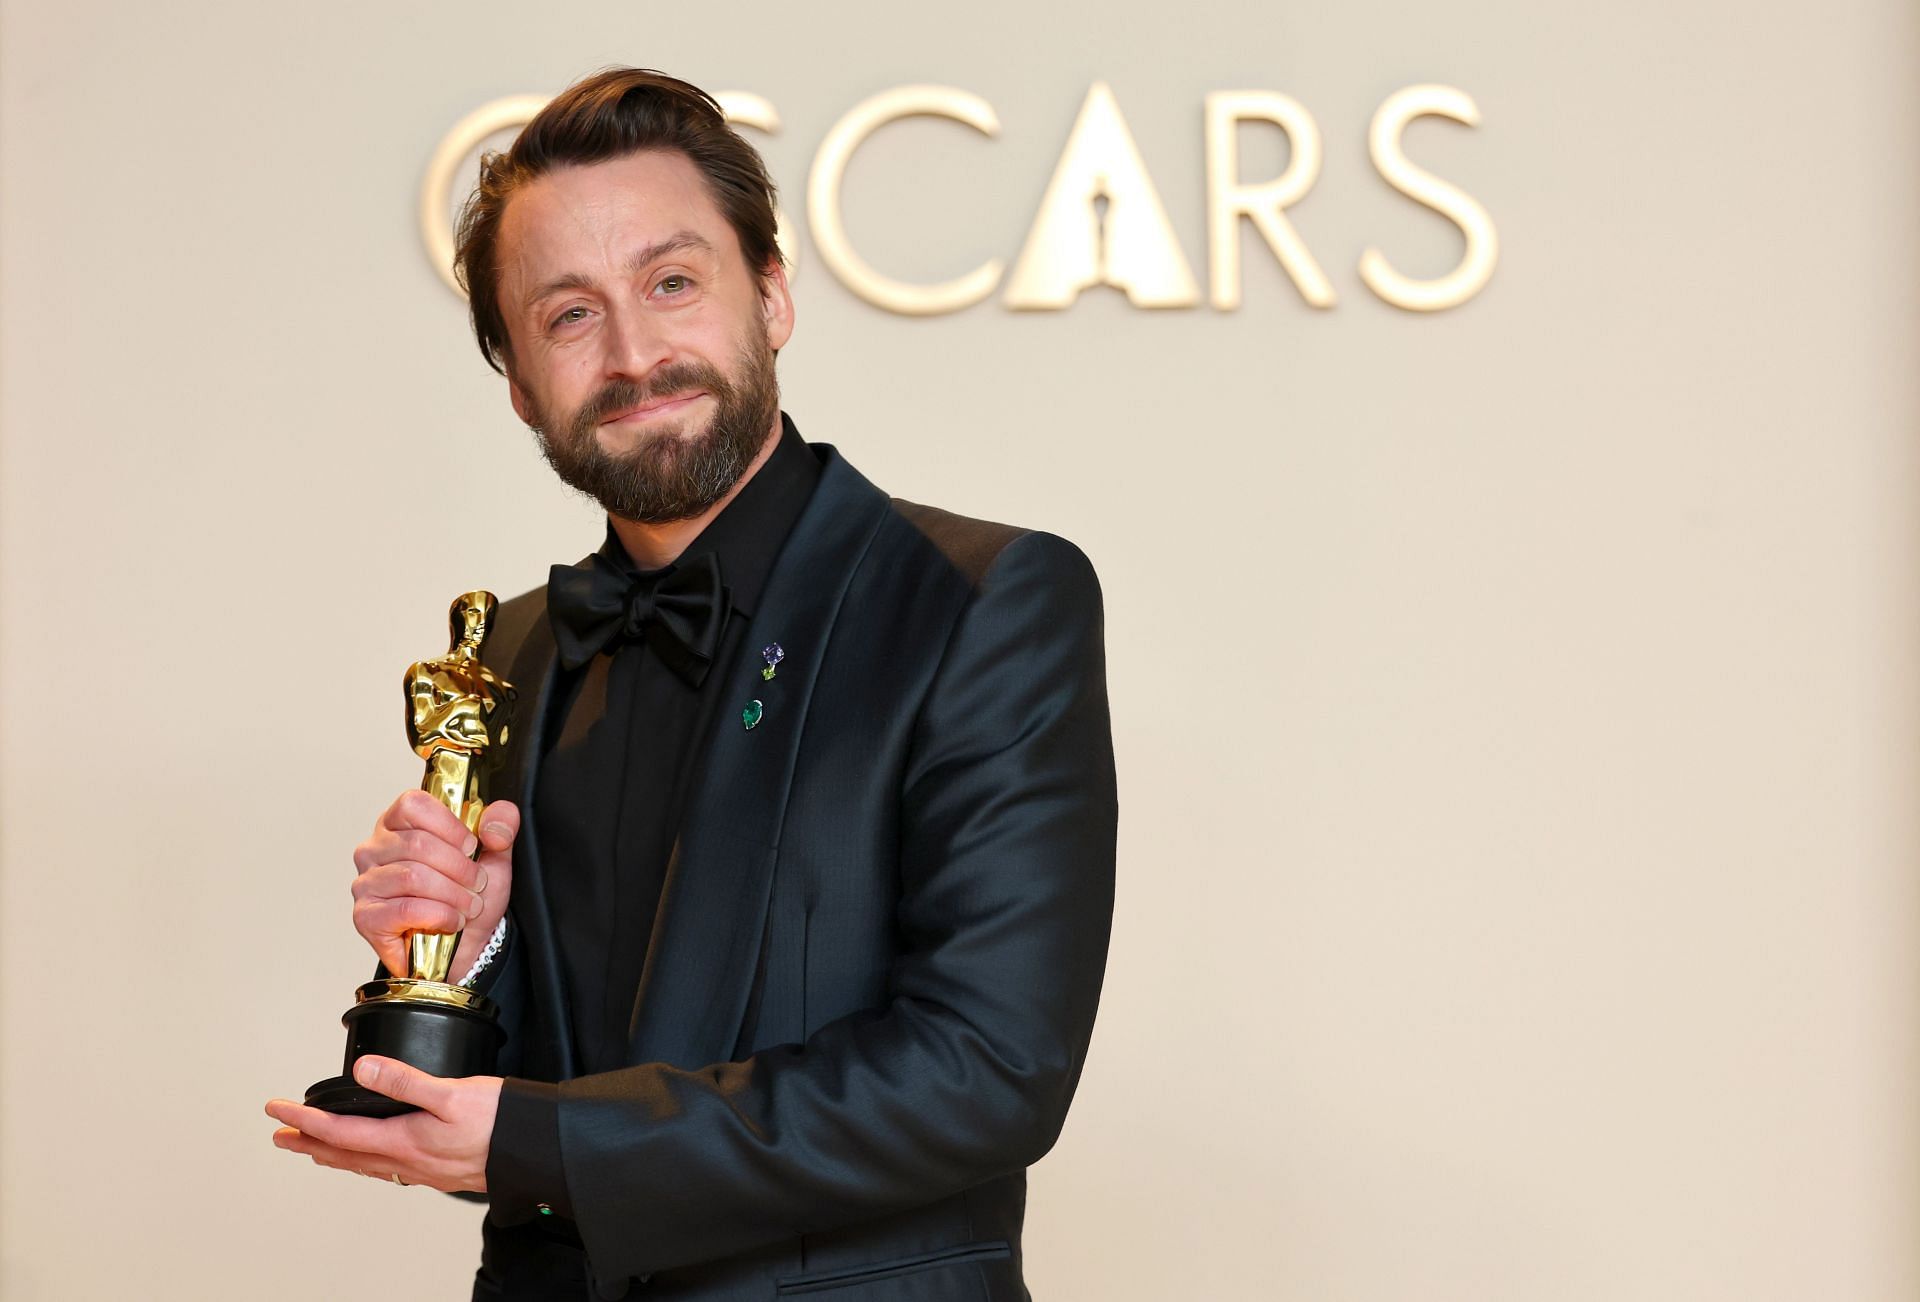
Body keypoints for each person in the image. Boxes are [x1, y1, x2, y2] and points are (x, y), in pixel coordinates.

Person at [266, 67, 1116, 1302]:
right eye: (569, 315)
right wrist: (466, 957)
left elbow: (986, 1074)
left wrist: (533, 1142)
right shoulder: (514, 652)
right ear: (517, 384)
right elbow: (530, 1127)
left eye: (673, 282)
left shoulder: (982, 602)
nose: (635, 353)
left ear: (770, 296)